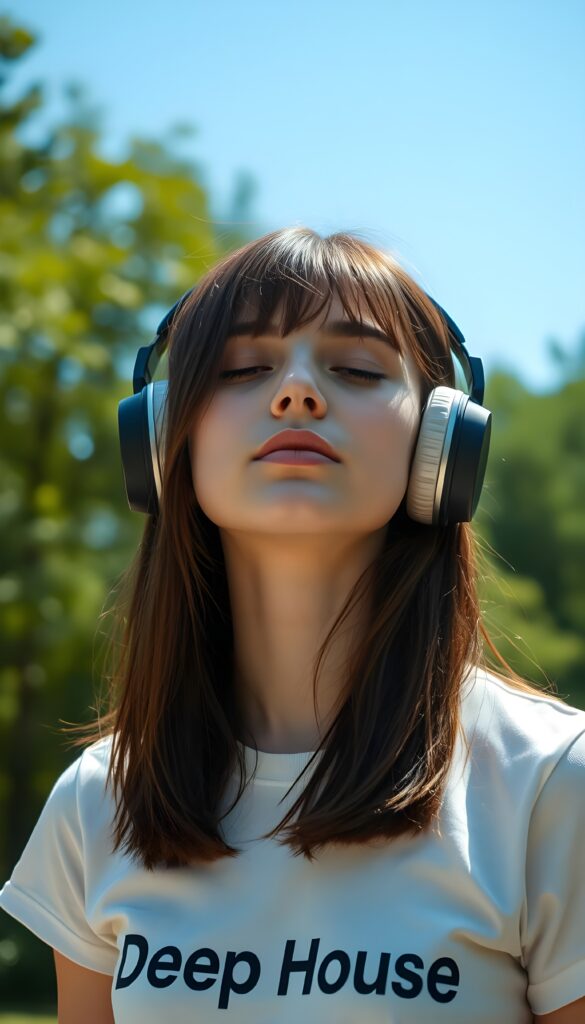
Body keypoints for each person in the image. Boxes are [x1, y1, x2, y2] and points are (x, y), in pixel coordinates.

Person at [1, 227, 584, 1023]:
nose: (297, 393)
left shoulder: (552, 783)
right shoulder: (99, 801)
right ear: (166, 439)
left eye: (355, 369)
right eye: (243, 368)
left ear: (443, 443)